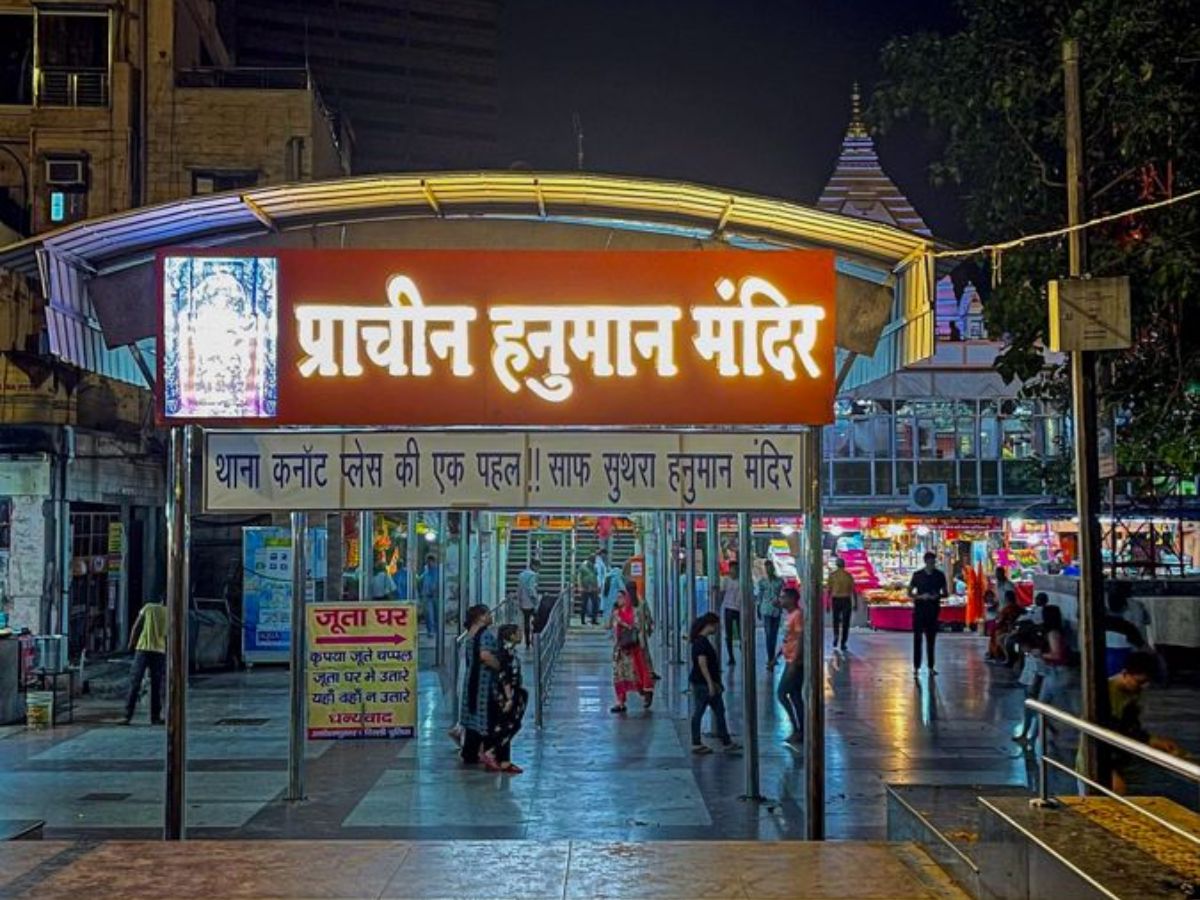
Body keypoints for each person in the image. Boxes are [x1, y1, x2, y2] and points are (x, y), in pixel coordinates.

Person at [1077, 651, 1182, 795]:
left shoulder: (1131, 692)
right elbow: (1102, 738)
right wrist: (1109, 771)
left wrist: (1152, 740)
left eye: (1146, 683)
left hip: (1118, 760)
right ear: (1125, 674)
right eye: (1140, 682)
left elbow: (1130, 727)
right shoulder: (1103, 695)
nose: (1143, 687)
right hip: (1099, 762)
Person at [687, 612, 742, 755]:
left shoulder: (701, 641)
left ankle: (725, 740)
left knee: (718, 711)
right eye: (716, 625)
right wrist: (710, 683)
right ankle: (697, 743)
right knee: (700, 712)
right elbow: (702, 663)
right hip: (703, 684)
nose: (718, 628)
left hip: (707, 683)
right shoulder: (701, 642)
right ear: (709, 625)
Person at [484, 623, 528, 775]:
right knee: (510, 724)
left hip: (513, 691)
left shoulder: (510, 651)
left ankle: (504, 761)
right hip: (506, 694)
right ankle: (492, 751)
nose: (521, 635)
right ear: (511, 635)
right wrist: (509, 697)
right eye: (518, 632)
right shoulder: (505, 653)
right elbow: (504, 675)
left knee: (507, 723)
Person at [458, 604, 500, 764]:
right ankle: (489, 752)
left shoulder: (470, 634)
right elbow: (485, 656)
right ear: (481, 617)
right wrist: (499, 666)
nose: (491, 616)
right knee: (487, 716)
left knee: (472, 718)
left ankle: (469, 752)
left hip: (471, 681)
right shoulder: (486, 635)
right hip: (484, 682)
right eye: (488, 613)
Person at [122, 600, 168, 725]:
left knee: (135, 682)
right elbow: (168, 634)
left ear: (161, 600)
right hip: (159, 650)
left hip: (142, 648)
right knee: (157, 685)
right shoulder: (170, 613)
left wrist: (131, 642)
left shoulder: (148, 608)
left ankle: (127, 716)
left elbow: (136, 626)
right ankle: (155, 717)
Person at [610, 588, 654, 713]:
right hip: (620, 649)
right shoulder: (616, 613)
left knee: (637, 673)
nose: (619, 600)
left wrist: (623, 623)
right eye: (617, 597)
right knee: (619, 675)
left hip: (633, 648)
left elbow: (638, 626)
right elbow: (609, 627)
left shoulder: (634, 612)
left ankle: (645, 692)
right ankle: (620, 702)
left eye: (621, 597)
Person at [908, 551, 948, 676]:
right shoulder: (917, 575)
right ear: (925, 562)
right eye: (930, 562)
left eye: (933, 562)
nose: (932, 564)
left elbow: (946, 593)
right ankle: (916, 666)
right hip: (920, 610)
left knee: (931, 639)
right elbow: (909, 592)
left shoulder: (940, 575)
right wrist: (920, 596)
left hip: (933, 610)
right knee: (917, 639)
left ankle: (931, 666)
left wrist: (938, 595)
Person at [776, 587, 805, 746]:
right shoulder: (789, 616)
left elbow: (800, 638)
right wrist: (777, 656)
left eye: (783, 597)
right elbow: (788, 638)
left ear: (792, 599)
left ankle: (797, 728)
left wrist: (795, 660)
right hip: (789, 658)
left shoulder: (798, 615)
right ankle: (801, 729)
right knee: (794, 696)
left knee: (781, 693)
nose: (780, 600)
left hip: (794, 661)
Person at [756, 560, 784, 670]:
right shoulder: (762, 582)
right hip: (766, 610)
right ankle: (770, 658)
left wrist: (780, 601)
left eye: (770, 567)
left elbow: (782, 593)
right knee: (768, 635)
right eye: (767, 568)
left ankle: (772, 658)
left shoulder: (780, 581)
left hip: (776, 610)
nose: (769, 570)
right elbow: (760, 596)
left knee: (774, 634)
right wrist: (758, 608)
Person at [828, 557, 857, 652]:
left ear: (836, 565)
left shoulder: (832, 575)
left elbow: (829, 590)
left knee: (835, 620)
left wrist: (827, 604)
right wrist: (855, 603)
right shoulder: (849, 576)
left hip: (835, 599)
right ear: (844, 565)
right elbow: (854, 590)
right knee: (846, 622)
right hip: (846, 600)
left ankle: (836, 636)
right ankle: (843, 643)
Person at [718, 560, 743, 667]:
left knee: (741, 632)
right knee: (729, 634)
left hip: (739, 609)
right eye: (733, 569)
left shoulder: (741, 580)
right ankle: (731, 657)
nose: (734, 571)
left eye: (736, 569)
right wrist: (719, 606)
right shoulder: (726, 580)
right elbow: (722, 594)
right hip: (728, 608)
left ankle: (743, 653)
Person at [987, 590, 1024, 662]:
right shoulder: (1019, 608)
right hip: (1012, 628)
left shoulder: (1007, 609)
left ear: (1006, 599)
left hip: (1007, 629)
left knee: (996, 635)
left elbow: (1000, 621)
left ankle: (1002, 656)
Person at [517, 559, 540, 649]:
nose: (538, 569)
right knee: (537, 620)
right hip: (531, 602)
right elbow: (531, 589)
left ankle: (527, 642)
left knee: (526, 621)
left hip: (523, 601)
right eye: (538, 567)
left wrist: (519, 600)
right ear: (534, 566)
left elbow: (518, 589)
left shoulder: (521, 575)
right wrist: (536, 600)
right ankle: (534, 639)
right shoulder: (532, 575)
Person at [417, 553, 439, 639]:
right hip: (427, 596)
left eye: (431, 561)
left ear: (434, 561)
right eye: (428, 562)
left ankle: (436, 630)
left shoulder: (438, 571)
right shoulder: (426, 571)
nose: (429, 563)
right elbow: (421, 581)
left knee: (437, 614)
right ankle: (430, 631)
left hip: (436, 596)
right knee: (429, 614)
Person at [576, 557, 600, 625]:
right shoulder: (582, 567)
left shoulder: (594, 568)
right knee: (584, 604)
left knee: (595, 604)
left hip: (593, 588)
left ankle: (594, 619)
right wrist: (580, 586)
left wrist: (597, 586)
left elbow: (595, 577)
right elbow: (579, 577)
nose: (593, 563)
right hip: (585, 588)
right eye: (593, 561)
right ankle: (582, 620)